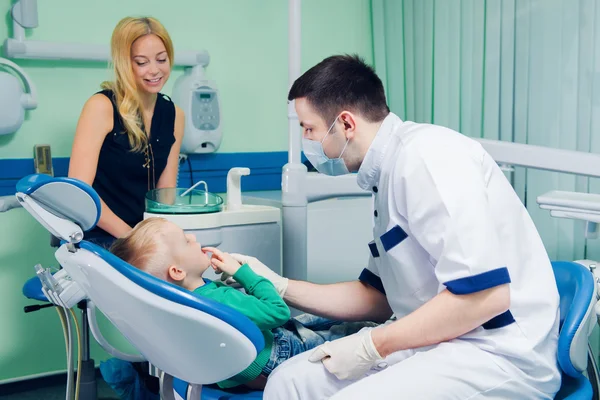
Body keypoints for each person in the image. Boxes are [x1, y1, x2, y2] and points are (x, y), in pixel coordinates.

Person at [230, 54, 560, 399]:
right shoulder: (385, 176)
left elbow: (484, 297)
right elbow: (377, 297)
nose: (307, 143)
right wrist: (276, 284)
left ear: (346, 124)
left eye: (309, 129)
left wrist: (371, 345)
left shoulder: (427, 159)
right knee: (288, 381)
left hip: (495, 352)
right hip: (435, 340)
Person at [108, 217, 378, 390]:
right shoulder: (218, 301)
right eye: (185, 240)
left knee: (313, 319)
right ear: (177, 272)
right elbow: (278, 312)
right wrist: (245, 274)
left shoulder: (178, 307)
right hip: (277, 353)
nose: (194, 239)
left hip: (237, 370)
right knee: (347, 332)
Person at [68, 16, 184, 248]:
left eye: (161, 59)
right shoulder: (102, 107)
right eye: (142, 62)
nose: (154, 70)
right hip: (97, 237)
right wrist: (131, 237)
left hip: (143, 238)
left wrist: (165, 241)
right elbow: (80, 191)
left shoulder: (174, 115)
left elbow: (165, 193)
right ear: (124, 63)